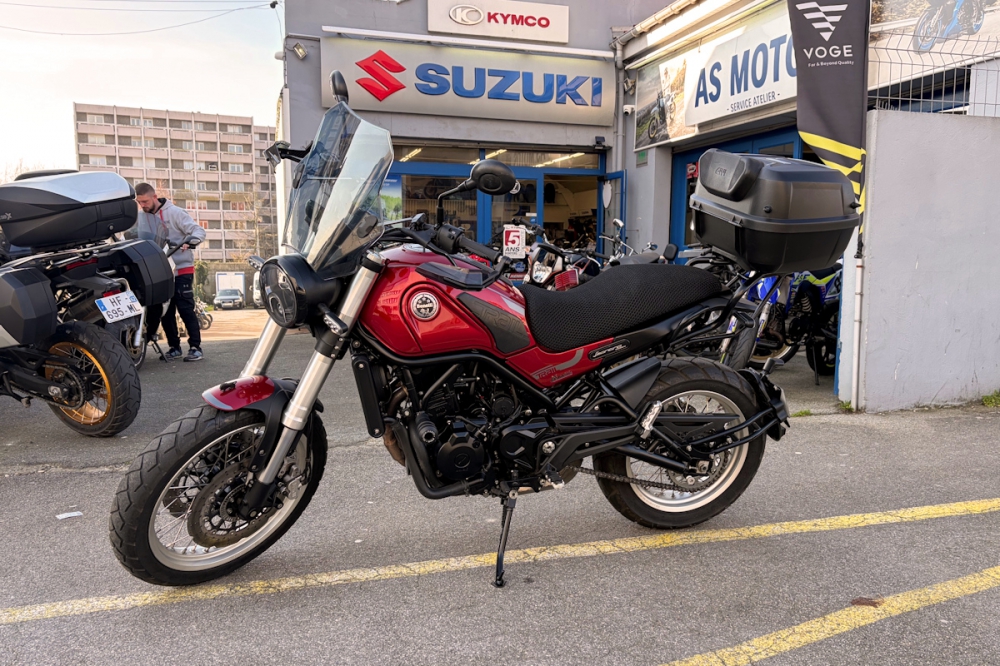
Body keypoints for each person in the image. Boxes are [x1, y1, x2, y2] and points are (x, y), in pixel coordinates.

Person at [134, 182, 207, 362]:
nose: (142, 205)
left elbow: (198, 231)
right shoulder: (142, 218)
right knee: (165, 310)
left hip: (181, 267)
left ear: (154, 197)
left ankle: (195, 347)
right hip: (159, 270)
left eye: (145, 201)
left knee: (185, 308)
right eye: (139, 202)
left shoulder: (175, 213)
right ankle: (174, 347)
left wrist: (190, 241)